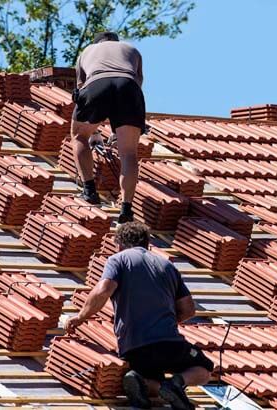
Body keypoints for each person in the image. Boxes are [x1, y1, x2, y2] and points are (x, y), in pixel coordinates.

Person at [65, 222, 212, 410]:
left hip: (134, 348)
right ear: (147, 243)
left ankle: (142, 381)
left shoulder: (118, 260)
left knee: (150, 377)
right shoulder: (167, 265)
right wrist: (163, 321)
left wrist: (80, 317)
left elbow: (103, 290)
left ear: (119, 244)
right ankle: (176, 383)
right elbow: (189, 309)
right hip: (169, 344)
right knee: (205, 368)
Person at [71, 31, 145, 223]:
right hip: (128, 87)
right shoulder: (131, 49)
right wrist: (118, 127)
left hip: (97, 85)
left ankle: (89, 190)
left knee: (78, 136)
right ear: (115, 42)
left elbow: (81, 87)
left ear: (98, 43)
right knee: (128, 152)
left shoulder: (87, 52)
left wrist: (93, 131)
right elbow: (137, 82)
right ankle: (126, 209)